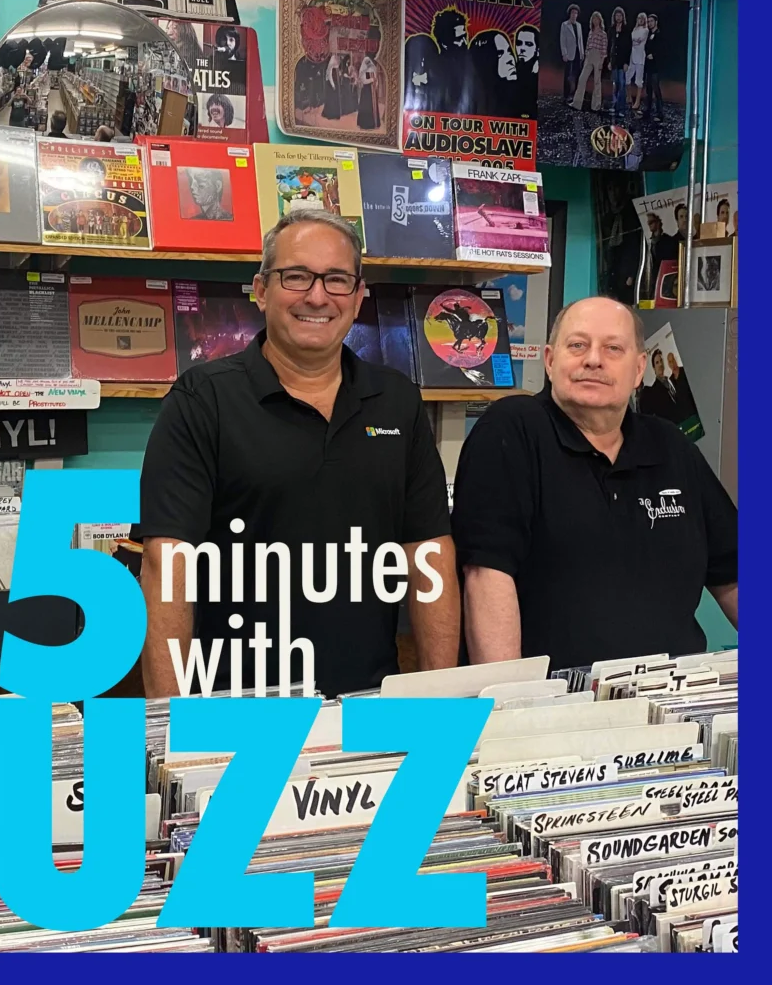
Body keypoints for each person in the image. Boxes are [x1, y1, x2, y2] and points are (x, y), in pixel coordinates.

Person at [135, 209, 459, 699]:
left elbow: (428, 555)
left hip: (368, 704)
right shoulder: (203, 400)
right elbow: (166, 571)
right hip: (236, 708)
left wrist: (437, 701)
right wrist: (173, 732)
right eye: (297, 276)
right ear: (261, 290)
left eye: (336, 279)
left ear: (358, 296)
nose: (317, 296)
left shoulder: (397, 401)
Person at [451, 297, 737, 669]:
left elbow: (733, 573)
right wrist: (509, 703)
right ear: (551, 361)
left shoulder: (670, 445)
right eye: (578, 345)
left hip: (671, 701)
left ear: (638, 370)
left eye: (612, 348)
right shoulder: (512, 431)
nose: (593, 360)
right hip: (558, 705)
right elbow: (485, 575)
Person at [571, 12, 606, 113]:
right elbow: (587, 45)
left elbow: (604, 49)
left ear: (600, 20)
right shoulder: (591, 32)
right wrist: (586, 55)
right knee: (582, 79)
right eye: (593, 19)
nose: (595, 21)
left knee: (597, 81)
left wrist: (601, 62)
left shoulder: (603, 34)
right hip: (589, 55)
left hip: (598, 55)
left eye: (597, 19)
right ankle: (577, 103)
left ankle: (596, 106)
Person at [607, 7, 631, 120]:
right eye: (616, 15)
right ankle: (615, 106)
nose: (618, 17)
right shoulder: (611, 29)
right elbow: (609, 46)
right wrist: (609, 61)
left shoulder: (626, 30)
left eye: (620, 15)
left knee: (622, 84)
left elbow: (628, 47)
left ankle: (621, 109)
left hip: (622, 62)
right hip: (614, 61)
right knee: (615, 84)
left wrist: (627, 62)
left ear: (623, 17)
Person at [560, 4, 584, 103]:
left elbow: (580, 40)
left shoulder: (579, 25)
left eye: (576, 13)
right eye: (573, 12)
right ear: (570, 14)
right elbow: (562, 40)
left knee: (577, 74)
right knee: (568, 75)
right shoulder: (565, 25)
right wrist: (564, 53)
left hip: (578, 53)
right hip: (569, 53)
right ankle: (566, 95)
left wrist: (582, 53)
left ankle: (575, 94)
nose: (574, 14)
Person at [643, 14, 664, 123]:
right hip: (649, 66)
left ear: (656, 22)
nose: (650, 23)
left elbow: (661, 49)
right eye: (649, 21)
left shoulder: (659, 34)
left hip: (656, 66)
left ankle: (660, 113)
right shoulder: (649, 34)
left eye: (651, 21)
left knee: (656, 89)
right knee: (649, 89)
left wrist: (654, 55)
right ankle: (648, 111)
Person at [628, 12, 649, 112]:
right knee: (627, 77)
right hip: (632, 56)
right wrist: (634, 41)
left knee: (638, 81)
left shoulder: (646, 30)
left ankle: (637, 101)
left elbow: (639, 41)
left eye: (642, 18)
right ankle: (628, 97)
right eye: (639, 18)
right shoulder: (634, 29)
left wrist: (634, 41)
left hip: (640, 57)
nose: (640, 20)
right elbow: (631, 41)